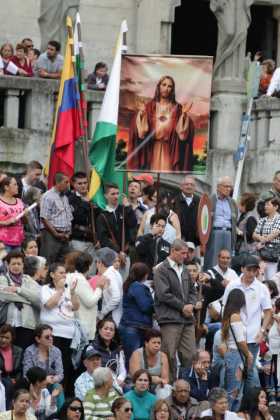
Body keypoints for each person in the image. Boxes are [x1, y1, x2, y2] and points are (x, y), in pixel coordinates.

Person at [222, 255, 272, 391]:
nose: (251, 273)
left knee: (249, 373)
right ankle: (234, 407)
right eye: (248, 269)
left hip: (252, 338)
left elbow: (268, 311)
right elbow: (224, 310)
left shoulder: (261, 288)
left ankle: (247, 407)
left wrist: (262, 331)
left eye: (254, 270)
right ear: (242, 269)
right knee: (234, 374)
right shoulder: (232, 285)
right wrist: (225, 335)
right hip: (234, 339)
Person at [129, 75, 195, 172]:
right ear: (159, 86)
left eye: (170, 86)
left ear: (172, 89)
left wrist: (184, 115)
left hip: (169, 150)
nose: (166, 88)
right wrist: (142, 113)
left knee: (167, 178)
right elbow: (141, 132)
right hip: (152, 149)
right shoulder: (149, 107)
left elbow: (183, 135)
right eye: (164, 85)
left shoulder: (177, 109)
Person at [154, 239, 197, 382]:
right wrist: (182, 306)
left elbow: (193, 290)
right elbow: (163, 294)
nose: (186, 256)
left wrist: (191, 304)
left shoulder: (184, 269)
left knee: (190, 354)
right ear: (173, 251)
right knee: (169, 355)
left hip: (187, 319)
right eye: (183, 253)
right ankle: (169, 385)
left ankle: (185, 386)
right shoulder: (161, 269)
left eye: (186, 253)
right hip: (169, 319)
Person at [40, 263, 79, 395]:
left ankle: (62, 396)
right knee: (51, 365)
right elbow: (49, 304)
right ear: (52, 275)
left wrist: (72, 292)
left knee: (65, 366)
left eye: (65, 273)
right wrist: (60, 290)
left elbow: (76, 307)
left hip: (68, 334)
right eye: (61, 273)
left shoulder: (68, 289)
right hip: (52, 333)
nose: (64, 275)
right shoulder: (45, 288)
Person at [0, 251, 40, 349]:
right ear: (7, 265)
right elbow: (4, 296)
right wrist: (28, 300)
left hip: (26, 325)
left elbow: (38, 299)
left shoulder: (29, 280)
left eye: (19, 264)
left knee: (23, 354)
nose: (16, 266)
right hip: (7, 324)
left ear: (23, 265)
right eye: (13, 263)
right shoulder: (2, 279)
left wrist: (18, 289)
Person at [221, 289, 253, 411]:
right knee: (234, 392)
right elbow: (240, 341)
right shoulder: (235, 316)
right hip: (236, 355)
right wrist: (248, 354)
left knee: (234, 391)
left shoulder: (228, 315)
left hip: (232, 354)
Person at [96, 183, 137, 270]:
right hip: (110, 257)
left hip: (125, 254)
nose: (116, 196)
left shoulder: (124, 209)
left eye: (117, 193)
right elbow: (103, 239)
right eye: (113, 194)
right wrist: (118, 252)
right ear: (106, 196)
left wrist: (128, 207)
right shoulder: (102, 215)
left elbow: (133, 224)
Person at [119, 263, 154, 364]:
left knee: (133, 357)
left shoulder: (131, 285)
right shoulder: (137, 286)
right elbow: (146, 306)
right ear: (145, 274)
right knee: (134, 358)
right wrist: (156, 306)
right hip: (134, 326)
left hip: (131, 325)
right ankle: (131, 378)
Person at [66, 252, 106, 340]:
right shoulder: (79, 279)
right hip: (82, 325)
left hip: (77, 323)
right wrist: (99, 287)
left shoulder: (71, 276)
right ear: (88, 266)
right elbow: (90, 301)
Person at [204, 176, 238, 270]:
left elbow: (235, 221)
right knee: (213, 260)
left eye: (230, 187)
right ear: (218, 187)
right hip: (215, 232)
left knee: (227, 260)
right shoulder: (210, 200)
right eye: (226, 186)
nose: (228, 189)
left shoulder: (233, 203)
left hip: (228, 233)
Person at [40, 172, 73, 263]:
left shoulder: (65, 197)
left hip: (65, 235)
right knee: (49, 261)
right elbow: (44, 218)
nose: (68, 185)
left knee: (64, 262)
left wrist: (68, 232)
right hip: (51, 235)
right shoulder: (47, 196)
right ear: (58, 183)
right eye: (66, 182)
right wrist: (55, 233)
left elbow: (68, 216)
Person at [68, 172, 98, 270]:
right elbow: (77, 216)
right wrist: (85, 202)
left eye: (85, 183)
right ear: (74, 184)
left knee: (91, 270)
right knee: (78, 268)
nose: (83, 186)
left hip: (92, 240)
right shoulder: (71, 199)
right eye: (80, 183)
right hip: (78, 239)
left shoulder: (94, 198)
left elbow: (98, 219)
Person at [90, 319, 126, 392]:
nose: (108, 331)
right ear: (99, 330)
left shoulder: (117, 349)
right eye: (105, 329)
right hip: (97, 382)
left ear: (114, 333)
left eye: (111, 330)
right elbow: (92, 370)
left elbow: (123, 370)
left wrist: (119, 380)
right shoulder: (91, 348)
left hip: (115, 383)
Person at [23, 324, 64, 388]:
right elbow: (26, 375)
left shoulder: (56, 351)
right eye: (47, 337)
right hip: (35, 384)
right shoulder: (29, 351)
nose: (51, 339)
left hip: (50, 383)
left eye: (52, 336)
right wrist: (44, 380)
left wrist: (52, 379)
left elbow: (60, 374)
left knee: (57, 386)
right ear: (38, 339)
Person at [253, 197, 280, 280]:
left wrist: (261, 241)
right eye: (265, 204)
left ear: (276, 207)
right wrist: (262, 239)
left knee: (271, 279)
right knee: (260, 278)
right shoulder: (263, 219)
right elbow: (254, 235)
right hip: (261, 254)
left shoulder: (279, 219)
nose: (265, 206)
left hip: (273, 254)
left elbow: (275, 233)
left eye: (268, 204)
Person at [96, 248, 123, 326]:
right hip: (113, 317)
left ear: (100, 262)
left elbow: (116, 298)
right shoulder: (114, 273)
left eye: (96, 262)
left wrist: (102, 313)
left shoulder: (109, 275)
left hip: (111, 317)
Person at [0, 176, 26, 252]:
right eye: (15, 184)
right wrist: (6, 222)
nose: (17, 187)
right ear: (6, 187)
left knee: (16, 263)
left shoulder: (19, 201)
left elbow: (25, 222)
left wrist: (25, 215)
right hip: (3, 242)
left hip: (18, 241)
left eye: (17, 185)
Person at [173, 176, 201, 246]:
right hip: (179, 240)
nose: (189, 187)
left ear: (195, 188)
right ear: (181, 186)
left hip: (195, 242)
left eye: (192, 185)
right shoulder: (174, 201)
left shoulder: (200, 202)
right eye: (186, 184)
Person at [0, 324, 22, 408]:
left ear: (12, 338)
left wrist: (16, 379)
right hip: (1, 378)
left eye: (6, 338)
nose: (3, 340)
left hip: (13, 379)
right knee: (8, 384)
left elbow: (20, 369)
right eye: (1, 337)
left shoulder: (18, 350)